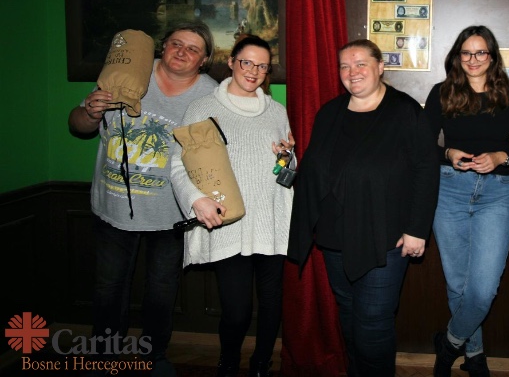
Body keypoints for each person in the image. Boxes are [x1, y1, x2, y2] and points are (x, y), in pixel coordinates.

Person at [67, 22, 217, 377]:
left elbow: (219, 152)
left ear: (204, 60)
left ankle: (154, 356)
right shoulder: (128, 69)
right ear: (163, 46)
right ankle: (104, 356)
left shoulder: (210, 95)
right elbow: (77, 124)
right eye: (176, 43)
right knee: (108, 289)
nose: (181, 52)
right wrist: (90, 112)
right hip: (113, 208)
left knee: (162, 291)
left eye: (192, 48)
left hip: (170, 215)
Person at [288, 39, 438, 376]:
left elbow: (426, 171)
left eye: (360, 64)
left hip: (385, 236)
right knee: (349, 312)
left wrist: (417, 229)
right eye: (344, 65)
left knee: (373, 322)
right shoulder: (329, 113)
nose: (351, 72)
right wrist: (287, 164)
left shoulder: (405, 111)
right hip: (334, 235)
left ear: (380, 67)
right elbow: (316, 168)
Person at [169, 35, 293, 377]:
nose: (253, 71)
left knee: (271, 305)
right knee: (236, 311)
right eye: (247, 62)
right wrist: (196, 200)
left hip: (270, 221)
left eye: (262, 66)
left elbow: (285, 172)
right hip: (229, 224)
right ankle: (228, 364)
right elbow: (178, 164)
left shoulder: (277, 112)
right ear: (231, 62)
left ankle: (261, 364)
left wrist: (286, 158)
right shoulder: (202, 108)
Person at [424, 25, 509, 377]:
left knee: (483, 288)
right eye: (466, 53)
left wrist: (501, 156)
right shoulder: (442, 92)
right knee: (458, 283)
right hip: (449, 191)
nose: (473, 59)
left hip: (496, 194)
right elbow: (422, 145)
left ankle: (448, 343)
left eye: (480, 52)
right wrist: (448, 153)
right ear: (457, 57)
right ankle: (475, 355)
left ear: (492, 56)